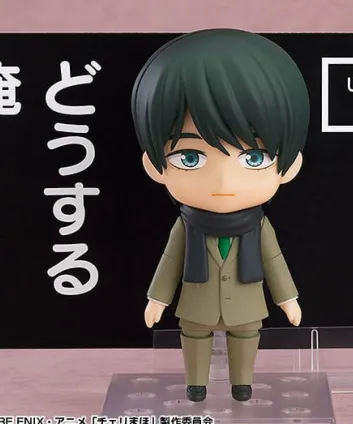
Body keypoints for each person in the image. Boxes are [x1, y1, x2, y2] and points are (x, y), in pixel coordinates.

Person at [131, 28, 310, 402]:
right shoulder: (185, 225)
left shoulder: (259, 226)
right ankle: (195, 383)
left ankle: (242, 383)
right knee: (194, 337)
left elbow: (274, 261)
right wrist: (157, 299)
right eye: (190, 157)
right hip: (196, 303)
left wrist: (288, 299)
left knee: (246, 336)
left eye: (254, 158)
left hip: (245, 302)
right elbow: (170, 261)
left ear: (290, 166)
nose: (224, 181)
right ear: (154, 166)